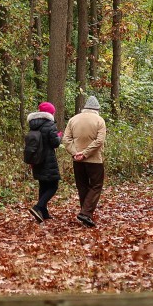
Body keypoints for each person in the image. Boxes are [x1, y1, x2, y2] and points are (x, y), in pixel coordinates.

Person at [62, 95, 107, 227]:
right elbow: (99, 141)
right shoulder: (100, 121)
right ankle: (86, 213)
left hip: (78, 161)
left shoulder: (73, 119)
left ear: (84, 108)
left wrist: (76, 153)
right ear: (97, 109)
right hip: (95, 160)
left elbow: (66, 139)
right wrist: (86, 153)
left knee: (82, 186)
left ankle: (85, 213)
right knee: (96, 185)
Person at [26, 101, 62, 223]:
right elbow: (55, 143)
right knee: (53, 186)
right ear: (50, 113)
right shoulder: (49, 125)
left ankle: (44, 213)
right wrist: (59, 136)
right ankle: (38, 207)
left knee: (43, 186)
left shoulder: (33, 124)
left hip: (37, 160)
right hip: (48, 160)